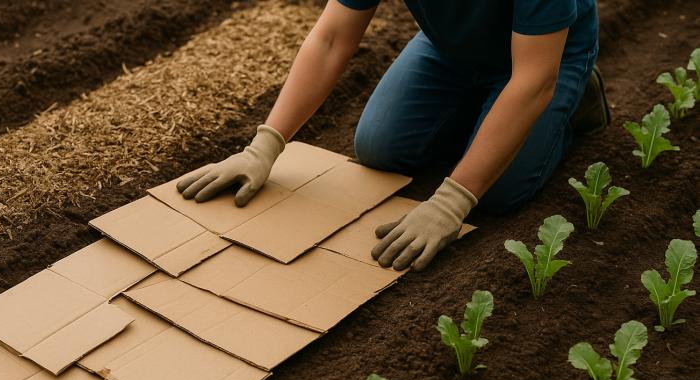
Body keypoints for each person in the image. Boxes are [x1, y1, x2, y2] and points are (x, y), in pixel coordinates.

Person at [174, 0, 608, 271]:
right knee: (380, 148)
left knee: (497, 196)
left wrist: (452, 199)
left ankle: (573, 98)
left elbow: (531, 78)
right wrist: (263, 146)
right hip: (450, 49)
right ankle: (482, 107)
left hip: (544, 58)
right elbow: (330, 37)